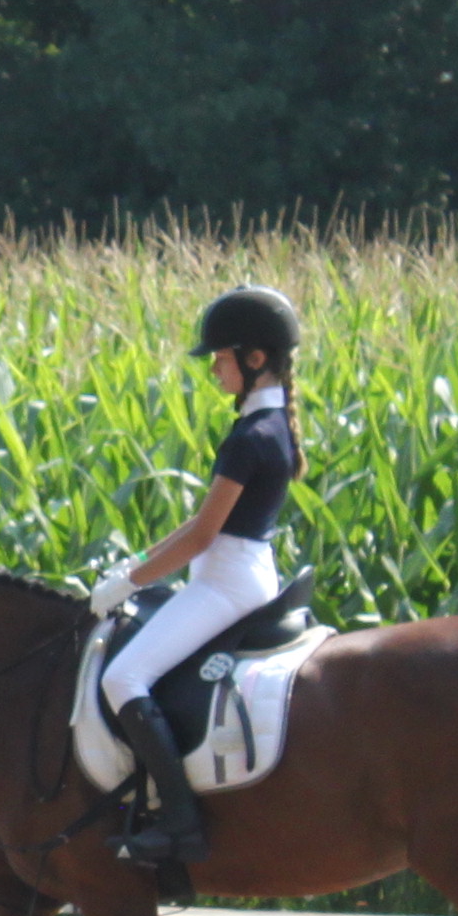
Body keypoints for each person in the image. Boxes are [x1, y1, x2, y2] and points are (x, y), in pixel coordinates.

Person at [90, 285, 304, 868]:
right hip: (236, 572)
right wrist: (136, 563)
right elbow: (202, 523)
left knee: (123, 677)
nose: (213, 369)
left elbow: (202, 536)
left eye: (221, 358)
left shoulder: (251, 438)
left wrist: (128, 585)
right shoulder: (267, 427)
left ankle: (180, 826)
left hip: (225, 582)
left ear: (254, 359)